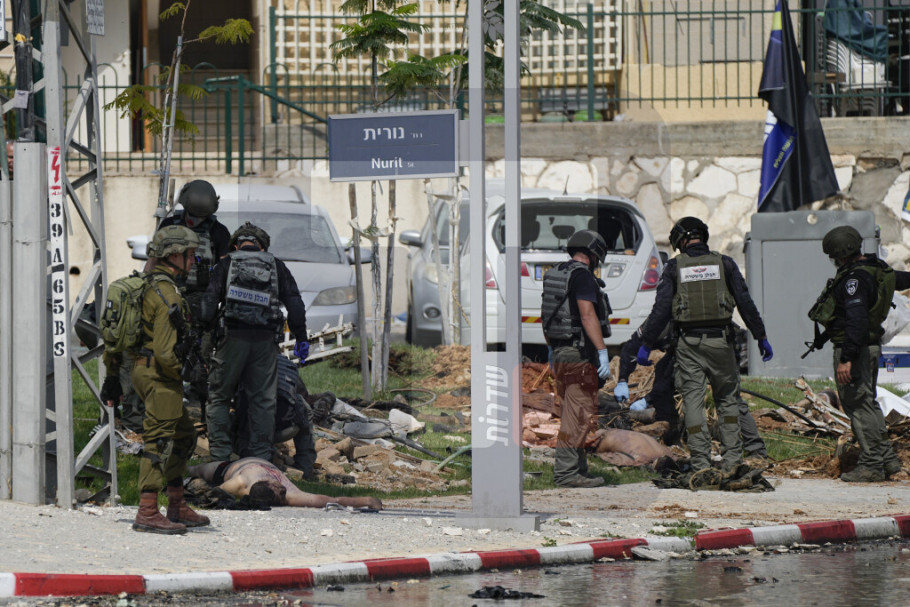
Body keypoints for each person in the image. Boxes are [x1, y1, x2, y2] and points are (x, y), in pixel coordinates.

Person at [636, 217, 773, 473]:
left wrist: (646, 343)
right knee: (728, 401)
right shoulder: (725, 263)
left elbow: (661, 309)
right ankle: (732, 461)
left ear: (680, 241)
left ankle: (700, 463)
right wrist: (761, 336)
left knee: (693, 403)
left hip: (688, 345)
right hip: (721, 343)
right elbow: (745, 303)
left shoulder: (674, 267)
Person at [113, 225, 210, 534]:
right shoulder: (167, 293)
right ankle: (147, 510)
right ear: (174, 255)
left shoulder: (146, 284)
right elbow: (168, 353)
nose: (193, 261)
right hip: (160, 375)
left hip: (144, 370)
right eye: (190, 255)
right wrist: (190, 374)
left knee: (184, 435)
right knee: (160, 441)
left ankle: (177, 504)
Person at [201, 222, 309, 463]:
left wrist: (206, 332)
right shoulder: (276, 265)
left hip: (232, 339)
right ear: (262, 246)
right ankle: (260, 456)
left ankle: (220, 456)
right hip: (265, 342)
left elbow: (208, 305)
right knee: (263, 401)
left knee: (219, 396)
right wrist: (301, 338)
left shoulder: (226, 264)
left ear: (236, 245)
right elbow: (295, 305)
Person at [810, 226, 910, 482]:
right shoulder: (877, 269)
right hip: (869, 346)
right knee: (868, 403)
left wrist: (847, 359)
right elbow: (902, 280)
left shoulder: (854, 280)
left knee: (857, 405)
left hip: (855, 349)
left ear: (840, 254)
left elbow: (856, 320)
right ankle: (887, 460)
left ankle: (871, 465)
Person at [616, 322, 769, 459]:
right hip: (689, 349)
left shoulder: (670, 317)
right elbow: (631, 347)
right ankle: (672, 438)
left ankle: (753, 449)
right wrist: (622, 379)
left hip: (720, 347)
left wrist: (648, 398)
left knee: (726, 397)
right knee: (663, 374)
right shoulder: (657, 326)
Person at [540, 229, 613, 488]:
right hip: (578, 353)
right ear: (594, 255)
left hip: (561, 352)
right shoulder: (582, 277)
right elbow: (587, 315)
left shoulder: (556, 274)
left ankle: (579, 469)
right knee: (577, 415)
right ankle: (567, 473)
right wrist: (602, 351)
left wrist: (553, 350)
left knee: (575, 412)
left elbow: (546, 317)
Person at [158, 180, 231, 416]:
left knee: (201, 355)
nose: (194, 222)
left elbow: (225, 271)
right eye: (191, 215)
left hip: (203, 302)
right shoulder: (169, 225)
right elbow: (154, 261)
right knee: (166, 350)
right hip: (170, 296)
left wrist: (220, 302)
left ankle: (200, 405)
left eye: (199, 218)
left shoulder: (218, 232)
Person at [187, 458, 382, 510]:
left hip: (228, 468)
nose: (282, 489)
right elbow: (329, 500)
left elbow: (212, 493)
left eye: (277, 490)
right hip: (236, 466)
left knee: (197, 470)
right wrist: (365, 500)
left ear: (266, 483)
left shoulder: (240, 483)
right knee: (193, 472)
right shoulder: (288, 495)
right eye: (281, 493)